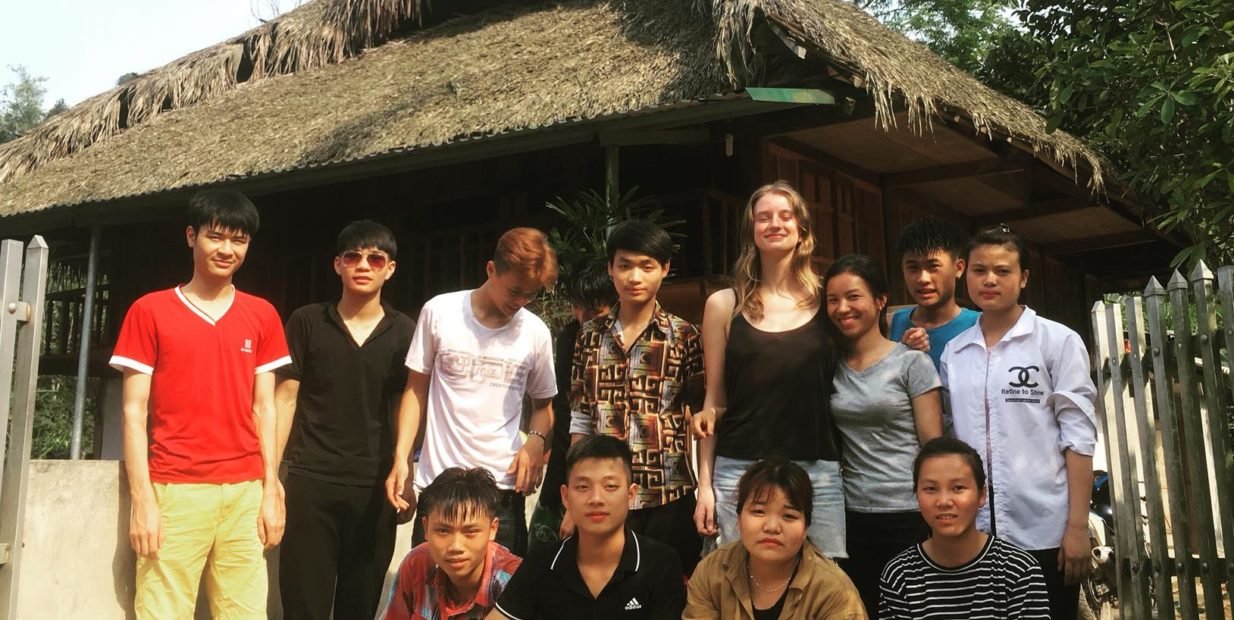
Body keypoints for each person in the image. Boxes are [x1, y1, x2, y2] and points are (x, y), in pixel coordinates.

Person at [111, 189, 290, 619]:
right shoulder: (150, 311)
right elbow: (134, 412)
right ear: (192, 236)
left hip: (245, 492)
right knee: (162, 610)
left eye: (240, 240)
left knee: (245, 612)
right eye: (216, 237)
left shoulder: (262, 314)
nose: (227, 250)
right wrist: (143, 501)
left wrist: (270, 487)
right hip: (176, 489)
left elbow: (265, 408)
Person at [940, 225, 1097, 620]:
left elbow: (1078, 438)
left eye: (1003, 270)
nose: (989, 279)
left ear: (1023, 277)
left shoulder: (1056, 342)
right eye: (979, 270)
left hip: (1044, 529)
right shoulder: (955, 353)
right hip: (972, 533)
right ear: (963, 273)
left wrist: (1077, 526)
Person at [691, 181, 845, 559]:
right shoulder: (724, 304)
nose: (774, 224)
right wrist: (706, 486)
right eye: (763, 217)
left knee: (825, 583)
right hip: (739, 465)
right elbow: (714, 399)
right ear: (752, 231)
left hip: (817, 466)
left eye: (785, 215)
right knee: (736, 581)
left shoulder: (828, 300)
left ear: (802, 229)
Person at [386, 227, 558, 557]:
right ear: (491, 270)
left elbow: (544, 406)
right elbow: (415, 392)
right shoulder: (440, 312)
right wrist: (402, 459)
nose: (520, 302)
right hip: (440, 485)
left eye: (531, 295)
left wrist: (536, 441)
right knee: (429, 600)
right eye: (515, 291)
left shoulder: (535, 332)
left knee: (499, 601)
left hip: (502, 491)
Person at [275, 220, 416, 619]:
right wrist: (269, 477)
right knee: (303, 606)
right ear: (337, 264)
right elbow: (285, 399)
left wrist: (405, 469)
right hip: (310, 480)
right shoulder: (307, 322)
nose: (363, 265)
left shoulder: (404, 331)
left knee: (360, 605)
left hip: (375, 487)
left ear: (390, 268)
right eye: (353, 256)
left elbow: (409, 404)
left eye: (376, 258)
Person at [565, 220, 705, 573]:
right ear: (611, 269)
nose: (634, 277)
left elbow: (702, 412)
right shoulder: (590, 337)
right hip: (604, 493)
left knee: (668, 592)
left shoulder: (684, 336)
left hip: (668, 491)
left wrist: (706, 489)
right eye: (625, 265)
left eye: (647, 266)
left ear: (665, 270)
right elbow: (581, 415)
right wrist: (573, 495)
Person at [823, 254, 943, 619]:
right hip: (852, 517)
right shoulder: (829, 365)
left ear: (880, 300)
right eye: (832, 300)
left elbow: (934, 447)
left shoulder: (912, 362)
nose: (843, 308)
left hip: (908, 514)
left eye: (854, 297)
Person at [489, 435, 687, 620]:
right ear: (566, 496)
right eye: (583, 487)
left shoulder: (660, 563)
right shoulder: (541, 563)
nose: (596, 499)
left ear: (631, 494)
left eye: (610, 486)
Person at [879, 437, 1051, 619]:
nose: (944, 501)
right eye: (930, 489)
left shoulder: (1018, 571)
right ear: (917, 495)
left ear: (982, 494)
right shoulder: (900, 575)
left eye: (958, 488)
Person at [684, 459, 867, 620]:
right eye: (758, 512)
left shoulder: (834, 592)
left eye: (788, 516)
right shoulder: (711, 572)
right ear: (738, 519)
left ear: (806, 527)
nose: (772, 527)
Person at [528, 269, 615, 552]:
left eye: (594, 311)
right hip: (567, 452)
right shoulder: (570, 336)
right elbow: (564, 407)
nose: (584, 318)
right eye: (579, 308)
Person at [384, 468, 523, 620]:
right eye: (443, 531)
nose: (456, 546)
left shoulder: (514, 581)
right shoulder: (417, 564)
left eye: (470, 532)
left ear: (492, 529)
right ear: (426, 528)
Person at [888, 218, 979, 369]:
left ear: (959, 268)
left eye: (933, 267)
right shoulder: (892, 323)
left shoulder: (981, 326)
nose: (923, 278)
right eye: (913, 267)